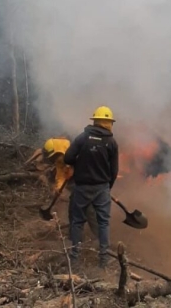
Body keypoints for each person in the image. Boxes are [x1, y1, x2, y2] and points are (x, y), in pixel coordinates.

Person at [64, 106, 119, 268]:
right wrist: (108, 187)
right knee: (103, 223)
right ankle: (104, 260)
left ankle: (74, 259)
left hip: (82, 187)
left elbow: (67, 158)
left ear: (95, 121)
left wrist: (79, 162)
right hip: (101, 188)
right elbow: (114, 170)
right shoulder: (111, 142)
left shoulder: (82, 138)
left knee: (77, 222)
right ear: (109, 123)